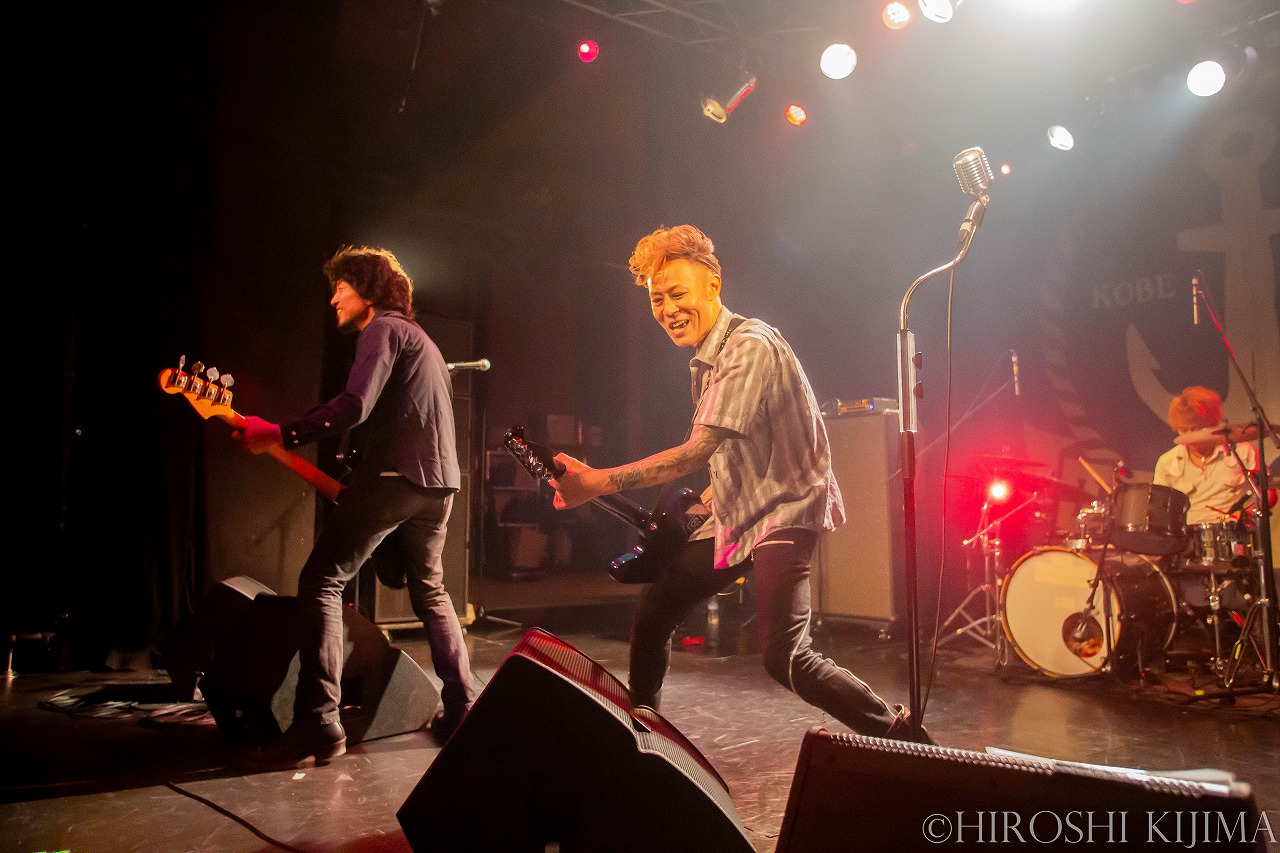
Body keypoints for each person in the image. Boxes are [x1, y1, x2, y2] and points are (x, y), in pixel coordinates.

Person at [548, 224, 929, 743]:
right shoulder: (709, 359)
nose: (667, 309)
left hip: (783, 511)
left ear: (713, 284)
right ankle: (643, 737)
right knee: (658, 607)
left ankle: (905, 737)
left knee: (785, 656)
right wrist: (706, 501)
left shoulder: (749, 346)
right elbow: (734, 449)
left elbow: (697, 450)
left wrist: (596, 482)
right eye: (657, 299)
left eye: (677, 293)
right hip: (740, 513)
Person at [235, 245, 477, 768]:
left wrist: (280, 433)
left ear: (367, 290)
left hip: (396, 478)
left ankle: (318, 723)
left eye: (341, 289)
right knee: (431, 592)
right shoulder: (423, 340)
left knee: (322, 580)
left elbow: (354, 406)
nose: (333, 300)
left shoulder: (382, 329)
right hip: (439, 484)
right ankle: (462, 706)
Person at [1154, 386, 1259, 527]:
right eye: (1183, 430)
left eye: (1195, 428)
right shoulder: (1167, 462)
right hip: (1188, 534)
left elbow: (1268, 493)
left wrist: (1247, 514)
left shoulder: (1243, 452)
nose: (1189, 435)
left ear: (1212, 424)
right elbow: (1159, 508)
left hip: (1234, 530)